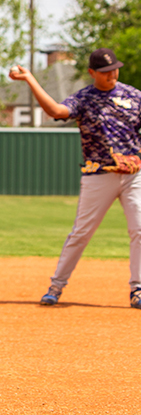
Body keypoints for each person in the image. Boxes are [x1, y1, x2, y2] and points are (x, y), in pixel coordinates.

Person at [10, 48, 141, 308]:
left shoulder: (134, 96)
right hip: (98, 175)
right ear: (92, 72)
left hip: (133, 175)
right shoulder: (84, 98)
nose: (112, 73)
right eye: (105, 71)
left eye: (114, 68)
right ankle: (56, 286)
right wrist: (30, 80)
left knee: (140, 229)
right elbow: (56, 112)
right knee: (81, 233)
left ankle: (138, 289)